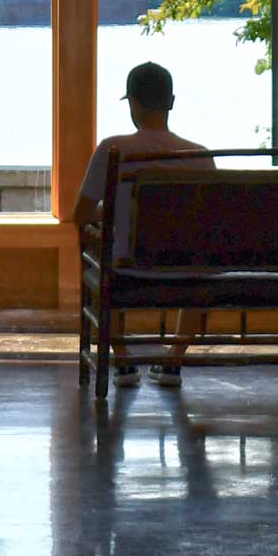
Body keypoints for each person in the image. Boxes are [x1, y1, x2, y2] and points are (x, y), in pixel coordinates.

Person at [73, 61, 213, 388]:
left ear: (133, 103)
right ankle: (173, 360)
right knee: (196, 259)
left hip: (127, 270)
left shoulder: (113, 149)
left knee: (105, 249)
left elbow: (80, 214)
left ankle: (122, 360)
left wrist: (111, 212)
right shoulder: (199, 156)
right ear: (172, 102)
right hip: (185, 273)